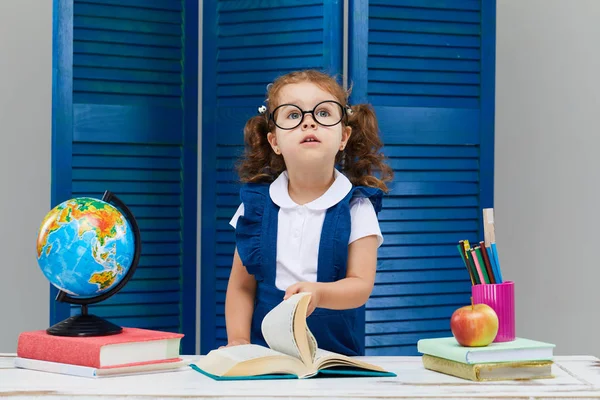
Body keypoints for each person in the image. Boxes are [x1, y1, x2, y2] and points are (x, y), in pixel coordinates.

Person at [224, 69, 393, 356]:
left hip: (336, 357)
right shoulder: (255, 207)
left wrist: (320, 293)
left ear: (344, 137)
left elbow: (360, 286)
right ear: (274, 141)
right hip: (265, 356)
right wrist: (238, 341)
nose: (309, 122)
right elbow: (241, 287)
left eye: (324, 113)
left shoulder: (357, 208)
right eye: (293, 115)